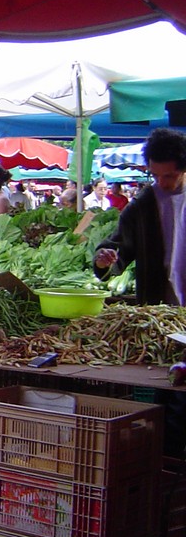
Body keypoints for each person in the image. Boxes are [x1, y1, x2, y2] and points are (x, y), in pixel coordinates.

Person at [94, 128, 186, 456]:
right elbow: (116, 250)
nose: (163, 182)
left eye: (171, 175)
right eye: (156, 175)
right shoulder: (141, 207)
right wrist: (105, 259)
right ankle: (166, 462)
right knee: (167, 390)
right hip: (161, 310)